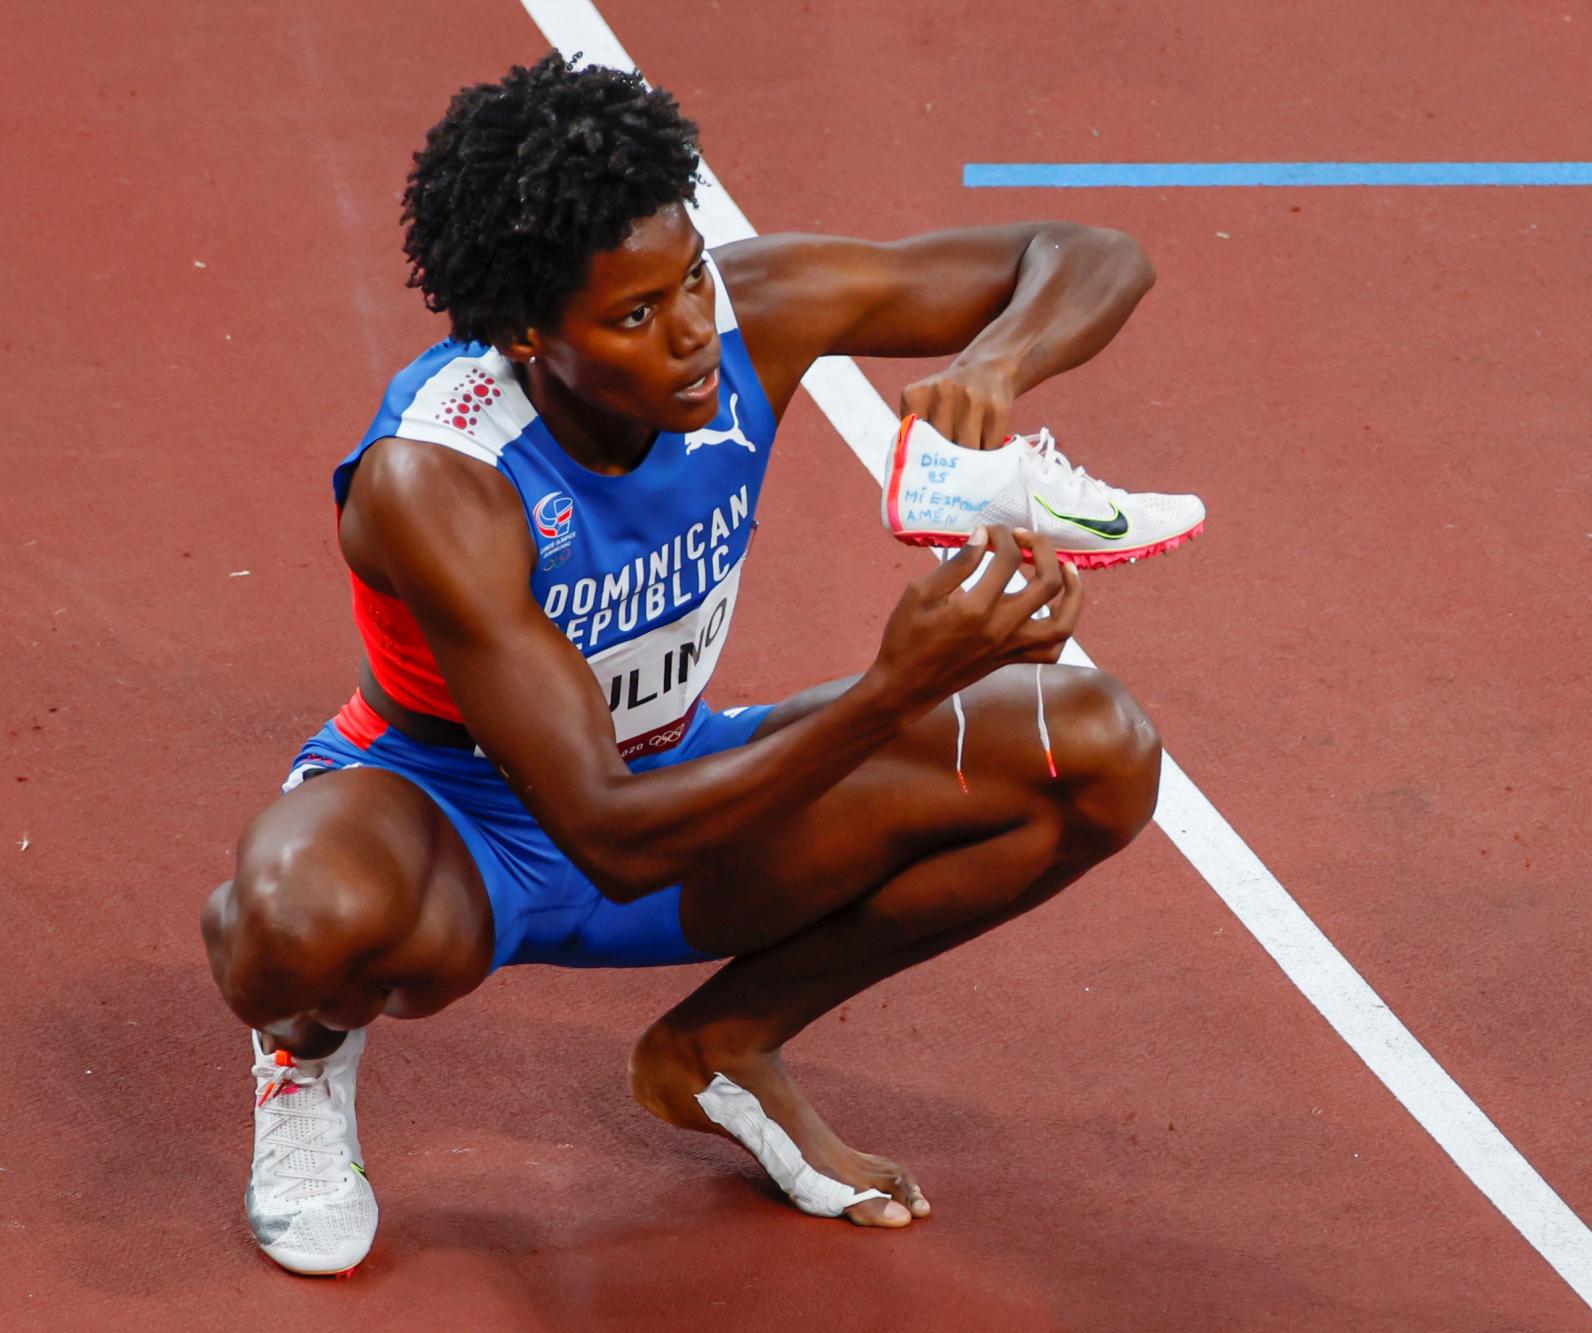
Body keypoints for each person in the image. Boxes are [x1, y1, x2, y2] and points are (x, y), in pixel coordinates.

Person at [201, 51, 1184, 1276]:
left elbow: (1091, 252)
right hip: (453, 821)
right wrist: (896, 685)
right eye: (631, 316)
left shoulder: (743, 315)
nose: (690, 335)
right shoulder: (436, 480)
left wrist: (1000, 360)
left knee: (1089, 750)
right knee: (298, 924)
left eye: (691, 282)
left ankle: (722, 1047)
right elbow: (608, 840)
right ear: (524, 334)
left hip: (682, 776)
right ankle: (301, 1056)